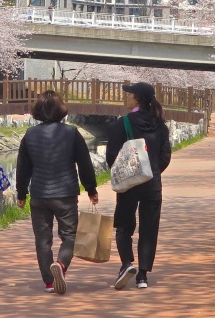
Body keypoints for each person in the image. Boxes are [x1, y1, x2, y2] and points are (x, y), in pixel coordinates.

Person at [16, 90, 99, 295]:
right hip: (65, 194)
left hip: (39, 195)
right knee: (69, 236)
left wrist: (21, 193)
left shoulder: (30, 134)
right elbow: (84, 164)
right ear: (61, 109)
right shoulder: (72, 133)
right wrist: (91, 189)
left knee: (42, 240)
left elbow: (23, 167)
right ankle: (61, 265)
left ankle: (48, 282)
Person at [106, 82, 171, 290]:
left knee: (124, 225)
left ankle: (126, 264)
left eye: (129, 94)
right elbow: (165, 156)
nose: (126, 98)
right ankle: (142, 275)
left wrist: (125, 174)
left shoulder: (124, 123)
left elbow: (111, 156)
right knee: (149, 228)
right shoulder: (160, 125)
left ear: (136, 98)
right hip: (153, 183)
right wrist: (152, 171)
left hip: (129, 183)